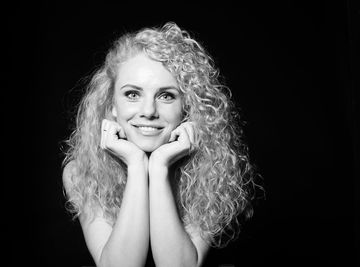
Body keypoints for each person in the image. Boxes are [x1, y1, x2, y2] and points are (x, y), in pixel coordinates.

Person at [62, 22, 257, 267]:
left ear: (186, 107)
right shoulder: (80, 172)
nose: (148, 111)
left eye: (166, 96)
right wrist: (135, 164)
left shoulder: (212, 170)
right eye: (132, 94)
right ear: (111, 105)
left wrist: (159, 167)